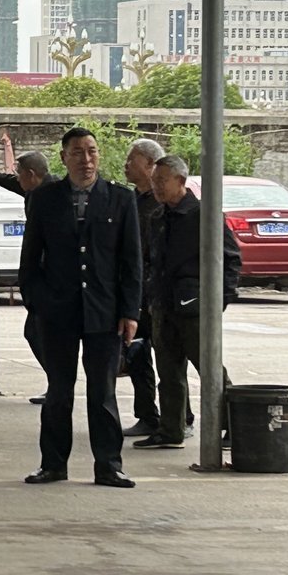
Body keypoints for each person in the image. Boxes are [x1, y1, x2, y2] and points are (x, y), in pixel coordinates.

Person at [19, 126, 141, 488]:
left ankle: (109, 465)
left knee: (102, 392)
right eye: (77, 153)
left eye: (92, 152)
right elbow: (30, 261)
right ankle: (53, 464)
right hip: (57, 312)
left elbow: (131, 262)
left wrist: (130, 311)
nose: (86, 160)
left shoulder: (121, 199)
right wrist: (38, 303)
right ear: (64, 158)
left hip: (104, 311)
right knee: (59, 390)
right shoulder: (46, 200)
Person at [134, 155, 240, 450]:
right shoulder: (158, 216)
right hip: (163, 305)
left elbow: (230, 259)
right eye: (154, 180)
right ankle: (171, 430)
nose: (156, 186)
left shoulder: (202, 215)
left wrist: (220, 301)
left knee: (209, 370)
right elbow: (151, 260)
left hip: (195, 307)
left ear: (181, 181)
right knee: (168, 372)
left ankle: (233, 426)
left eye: (162, 180)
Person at [121, 138, 193, 440]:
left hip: (177, 299)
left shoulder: (178, 208)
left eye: (132, 159)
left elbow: (226, 261)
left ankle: (191, 418)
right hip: (143, 294)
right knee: (142, 356)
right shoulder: (136, 203)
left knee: (186, 360)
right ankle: (151, 417)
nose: (126, 164)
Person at [0, 151, 57, 405]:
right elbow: (16, 184)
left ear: (31, 174)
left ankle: (59, 386)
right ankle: (57, 384)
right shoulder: (36, 190)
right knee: (37, 332)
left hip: (53, 280)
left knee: (41, 332)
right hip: (41, 279)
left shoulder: (56, 196)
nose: (17, 178)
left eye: (19, 173)